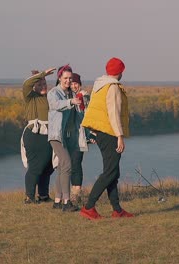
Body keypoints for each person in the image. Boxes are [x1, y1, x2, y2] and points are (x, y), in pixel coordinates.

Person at [80, 57, 134, 219]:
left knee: (113, 172)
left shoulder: (100, 85)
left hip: (101, 131)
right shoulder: (113, 88)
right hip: (109, 132)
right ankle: (89, 207)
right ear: (120, 72)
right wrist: (119, 136)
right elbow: (113, 113)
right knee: (110, 172)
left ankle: (117, 210)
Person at [47, 65, 83, 212]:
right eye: (66, 78)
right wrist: (71, 102)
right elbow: (55, 105)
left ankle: (57, 200)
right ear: (59, 78)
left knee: (62, 166)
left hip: (67, 136)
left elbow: (77, 116)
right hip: (56, 136)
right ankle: (66, 202)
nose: (68, 81)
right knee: (67, 164)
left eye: (70, 78)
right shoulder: (53, 93)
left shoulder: (70, 94)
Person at [21, 67, 56, 204]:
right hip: (35, 135)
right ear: (34, 86)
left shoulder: (49, 97)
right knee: (36, 166)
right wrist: (43, 74)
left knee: (48, 166)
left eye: (44, 83)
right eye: (39, 84)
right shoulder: (30, 97)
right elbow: (26, 84)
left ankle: (43, 195)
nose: (43, 86)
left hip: (48, 134)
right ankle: (29, 197)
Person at [67, 73, 94, 205]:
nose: (73, 85)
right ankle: (68, 195)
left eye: (75, 83)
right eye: (71, 83)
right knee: (69, 165)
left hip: (80, 135)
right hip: (67, 136)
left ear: (79, 83)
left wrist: (90, 133)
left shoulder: (84, 96)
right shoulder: (66, 97)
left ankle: (75, 194)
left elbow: (88, 115)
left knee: (76, 163)